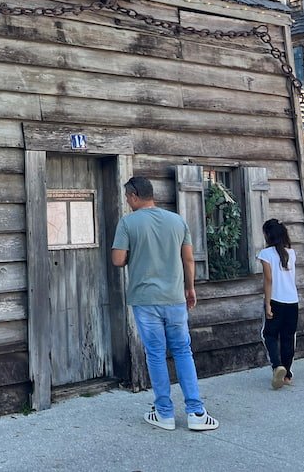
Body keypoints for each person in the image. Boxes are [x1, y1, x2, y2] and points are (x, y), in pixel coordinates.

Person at [111, 176, 219, 432]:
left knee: (156, 355)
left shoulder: (127, 222)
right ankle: (196, 412)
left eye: (128, 197)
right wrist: (190, 287)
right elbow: (189, 259)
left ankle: (164, 413)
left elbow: (117, 260)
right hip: (175, 298)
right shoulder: (177, 220)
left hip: (145, 299)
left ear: (135, 196)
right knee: (183, 351)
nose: (127, 202)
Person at [258, 218, 298, 389]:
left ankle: (277, 366)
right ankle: (287, 374)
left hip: (276, 300)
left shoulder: (266, 254)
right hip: (292, 301)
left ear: (268, 235)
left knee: (269, 335)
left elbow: (268, 280)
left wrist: (267, 304)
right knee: (288, 338)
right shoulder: (292, 253)